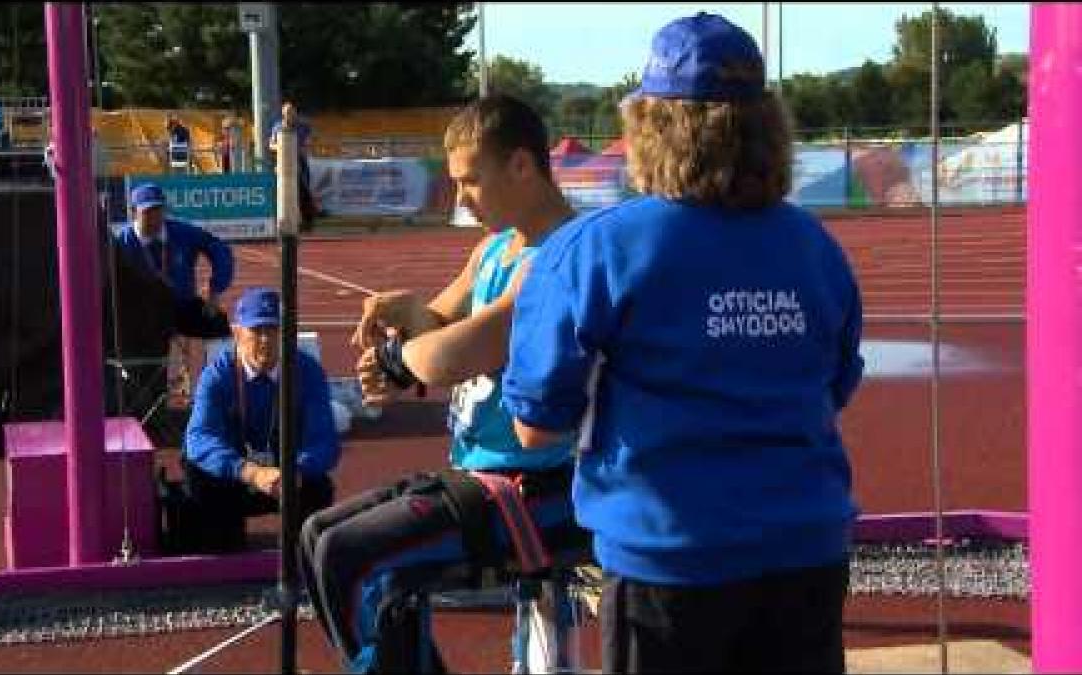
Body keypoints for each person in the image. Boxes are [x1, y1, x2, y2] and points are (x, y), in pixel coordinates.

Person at [501, 13, 865, 674]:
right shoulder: (816, 248)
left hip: (670, 561)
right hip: (807, 549)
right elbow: (834, 385)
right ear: (766, 127)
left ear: (649, 128)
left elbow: (534, 424)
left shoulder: (597, 250)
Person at [299, 94, 590, 673]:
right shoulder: (493, 250)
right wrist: (405, 317)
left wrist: (399, 357)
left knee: (349, 558)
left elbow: (461, 349)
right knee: (315, 535)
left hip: (546, 487)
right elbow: (437, 323)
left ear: (522, 166)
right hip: (484, 474)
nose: (460, 201)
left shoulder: (560, 257)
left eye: (470, 183)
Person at [181, 287, 340, 553]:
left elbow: (325, 441)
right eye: (257, 331)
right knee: (201, 481)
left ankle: (301, 560)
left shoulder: (307, 371)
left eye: (274, 330)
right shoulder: (216, 375)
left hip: (286, 473)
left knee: (319, 487)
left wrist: (295, 471)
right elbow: (198, 438)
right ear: (237, 333)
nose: (266, 340)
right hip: (234, 474)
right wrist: (248, 472)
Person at [114, 182, 236, 339]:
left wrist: (215, 291)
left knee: (218, 323)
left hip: (181, 306)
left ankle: (218, 364)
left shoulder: (182, 233)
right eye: (148, 212)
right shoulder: (121, 242)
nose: (155, 217)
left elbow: (219, 249)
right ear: (133, 212)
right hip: (141, 313)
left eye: (159, 210)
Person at [269, 101, 316, 231]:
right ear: (283, 114)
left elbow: (308, 141)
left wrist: (301, 147)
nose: (290, 114)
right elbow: (271, 144)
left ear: (295, 112)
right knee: (284, 194)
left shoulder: (303, 126)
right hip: (283, 163)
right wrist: (281, 147)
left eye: (292, 112)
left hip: (299, 161)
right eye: (287, 112)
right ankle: (286, 221)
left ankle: (307, 223)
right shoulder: (277, 126)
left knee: (303, 192)